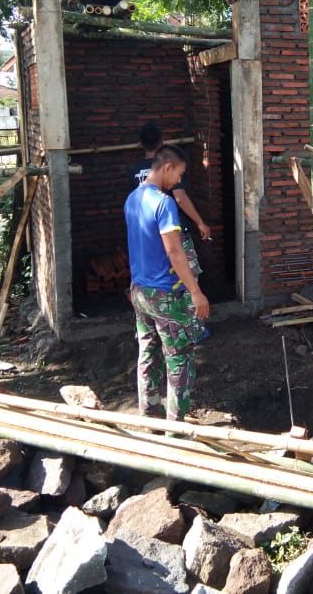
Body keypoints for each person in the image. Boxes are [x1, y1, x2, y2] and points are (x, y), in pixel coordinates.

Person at [125, 145, 210, 421]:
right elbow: (174, 251)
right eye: (179, 174)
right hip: (166, 295)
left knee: (148, 352)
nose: (178, 180)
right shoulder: (164, 203)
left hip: (139, 291)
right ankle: (177, 429)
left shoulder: (132, 198)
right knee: (179, 358)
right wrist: (195, 291)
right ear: (167, 167)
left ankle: (149, 413)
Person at [131, 120, 212, 342]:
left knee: (160, 282)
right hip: (173, 233)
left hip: (148, 239)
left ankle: (155, 328)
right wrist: (200, 222)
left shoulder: (135, 172)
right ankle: (193, 329)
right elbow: (180, 197)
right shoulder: (168, 168)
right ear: (162, 142)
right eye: (179, 174)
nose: (178, 177)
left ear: (140, 144)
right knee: (188, 276)